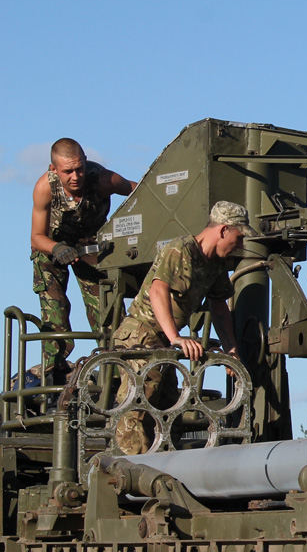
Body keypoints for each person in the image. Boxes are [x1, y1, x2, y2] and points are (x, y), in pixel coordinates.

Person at [111, 201, 256, 454]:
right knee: (137, 410)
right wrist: (176, 338)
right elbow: (158, 290)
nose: (240, 244)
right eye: (239, 237)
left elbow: (219, 307)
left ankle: (165, 466)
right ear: (224, 230)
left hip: (163, 342)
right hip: (141, 335)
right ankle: (128, 468)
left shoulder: (216, 264)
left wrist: (231, 350)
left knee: (170, 412)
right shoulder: (180, 249)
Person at [30, 138, 137, 377]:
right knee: (54, 306)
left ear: (86, 163)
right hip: (52, 246)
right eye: (67, 172)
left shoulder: (104, 180)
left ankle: (116, 369)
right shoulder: (45, 188)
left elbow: (144, 193)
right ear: (53, 169)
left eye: (79, 169)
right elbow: (36, 237)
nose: (75, 176)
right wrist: (57, 248)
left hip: (91, 245)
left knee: (107, 308)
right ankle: (55, 367)